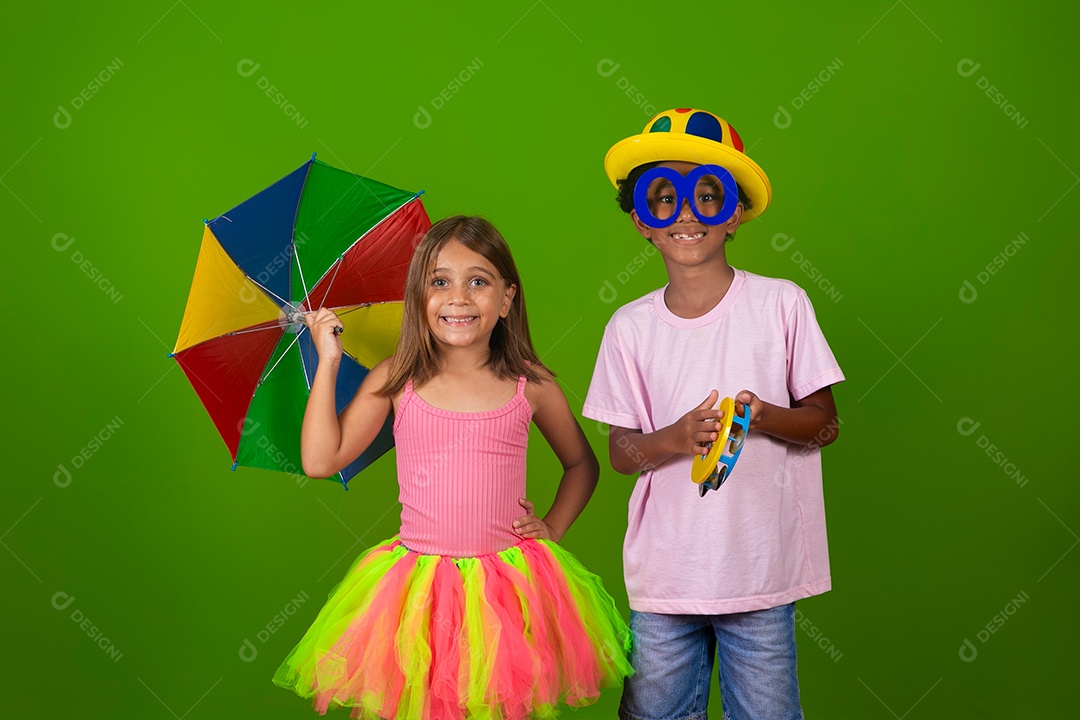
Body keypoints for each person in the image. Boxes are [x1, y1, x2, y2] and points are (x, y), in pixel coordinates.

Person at [274, 215, 632, 720]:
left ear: (506, 299)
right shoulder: (397, 378)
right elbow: (319, 460)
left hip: (506, 590)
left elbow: (581, 465)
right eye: (439, 282)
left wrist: (552, 526)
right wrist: (327, 358)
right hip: (418, 590)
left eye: (478, 282)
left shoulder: (531, 384)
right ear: (418, 297)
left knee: (499, 702)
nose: (458, 297)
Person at [583, 108, 845, 720]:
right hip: (666, 580)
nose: (687, 215)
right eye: (664, 199)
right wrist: (674, 438)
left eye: (708, 196)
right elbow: (621, 455)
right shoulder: (630, 328)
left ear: (734, 213)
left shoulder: (782, 304)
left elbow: (826, 424)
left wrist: (764, 416)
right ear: (642, 222)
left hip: (759, 572)